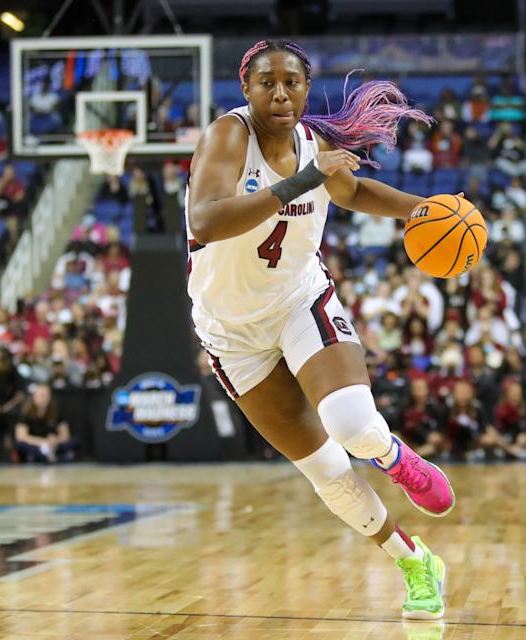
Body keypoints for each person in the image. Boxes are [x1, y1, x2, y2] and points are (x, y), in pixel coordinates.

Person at [185, 40, 456, 619]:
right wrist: (301, 181)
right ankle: (415, 562)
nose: (280, 93)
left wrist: (422, 210)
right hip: (230, 334)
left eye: (292, 82)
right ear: (247, 88)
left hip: (299, 301)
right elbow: (204, 221)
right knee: (328, 472)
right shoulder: (228, 137)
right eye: (267, 82)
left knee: (351, 423)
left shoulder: (316, 142)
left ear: (306, 88)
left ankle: (396, 458)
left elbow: (352, 191)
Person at [14, 383, 74, 462]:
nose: (43, 398)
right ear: (34, 397)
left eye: (46, 395)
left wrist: (55, 440)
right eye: (41, 395)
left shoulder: (56, 412)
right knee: (21, 445)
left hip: (53, 445)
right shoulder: (25, 414)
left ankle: (51, 456)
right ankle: (49, 457)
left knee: (73, 441)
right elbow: (21, 436)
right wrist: (43, 442)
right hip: (35, 445)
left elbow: (65, 434)